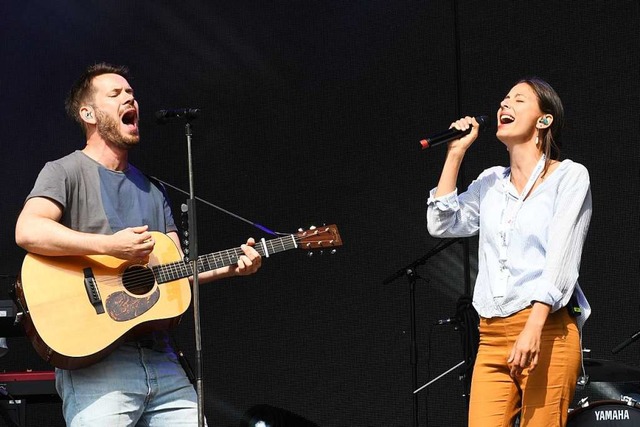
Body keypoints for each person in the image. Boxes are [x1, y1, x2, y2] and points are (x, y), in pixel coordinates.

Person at [15, 63, 262, 426]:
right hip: (97, 366)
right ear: (88, 114)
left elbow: (172, 276)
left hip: (162, 360)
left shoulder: (153, 189)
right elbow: (28, 230)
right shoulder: (64, 171)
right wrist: (110, 247)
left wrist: (230, 267)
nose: (129, 98)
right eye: (115, 94)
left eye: (131, 93)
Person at [426, 77, 592, 426]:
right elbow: (441, 224)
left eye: (518, 100)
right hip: (491, 336)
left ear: (544, 120)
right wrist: (455, 153)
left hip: (545, 329)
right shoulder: (490, 183)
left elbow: (562, 260)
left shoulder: (569, 177)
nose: (505, 105)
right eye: (504, 99)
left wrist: (534, 326)